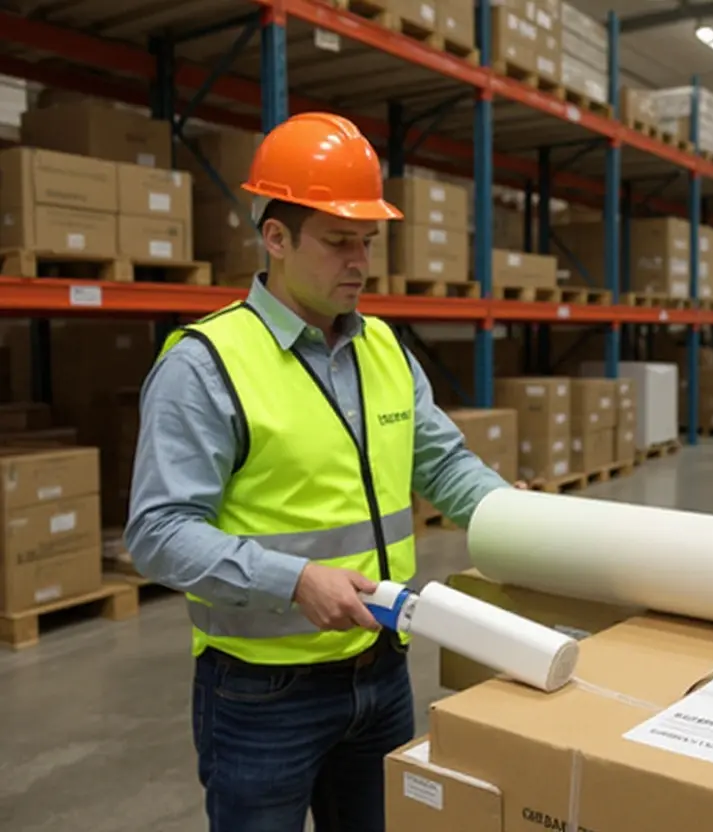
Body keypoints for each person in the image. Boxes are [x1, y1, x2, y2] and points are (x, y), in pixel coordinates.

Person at [124, 112, 517, 832]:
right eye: (339, 242)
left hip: (382, 669)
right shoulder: (205, 365)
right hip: (262, 693)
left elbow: (445, 464)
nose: (359, 262)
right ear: (275, 236)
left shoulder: (386, 351)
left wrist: (518, 520)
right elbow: (157, 532)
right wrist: (294, 580)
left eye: (367, 242)